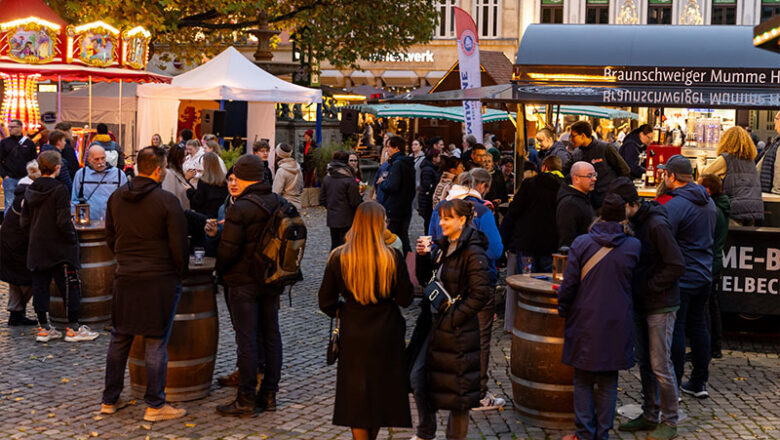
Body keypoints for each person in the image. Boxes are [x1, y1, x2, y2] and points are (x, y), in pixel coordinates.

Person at [100, 146, 188, 422]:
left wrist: (124, 259)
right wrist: (179, 272)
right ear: (159, 169)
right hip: (158, 278)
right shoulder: (167, 201)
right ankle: (155, 405)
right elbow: (178, 246)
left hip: (126, 275)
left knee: (119, 337)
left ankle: (109, 400)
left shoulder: (116, 197)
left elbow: (110, 237)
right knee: (155, 341)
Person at [318, 201, 413, 440]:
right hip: (387, 330)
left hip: (353, 329)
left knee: (356, 397)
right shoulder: (391, 257)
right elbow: (405, 298)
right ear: (379, 224)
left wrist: (343, 310)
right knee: (380, 393)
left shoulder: (339, 257)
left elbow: (326, 301)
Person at [558, 193, 641, 440]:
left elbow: (569, 284)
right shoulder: (634, 246)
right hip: (618, 320)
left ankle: (584, 433)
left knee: (582, 378)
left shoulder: (582, 243)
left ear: (600, 215)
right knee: (608, 380)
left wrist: (564, 310)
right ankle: (602, 433)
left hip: (585, 318)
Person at [609, 178, 685, 440]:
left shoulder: (655, 225)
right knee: (645, 362)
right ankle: (650, 413)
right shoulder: (636, 222)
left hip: (661, 303)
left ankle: (670, 420)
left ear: (632, 204)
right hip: (644, 301)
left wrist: (650, 286)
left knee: (660, 364)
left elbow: (676, 264)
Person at [410, 199, 491, 440]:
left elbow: (480, 294)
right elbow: (426, 281)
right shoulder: (443, 246)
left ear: (462, 220)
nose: (441, 223)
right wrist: (423, 257)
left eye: (447, 218)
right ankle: (426, 431)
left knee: (459, 393)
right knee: (418, 377)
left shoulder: (473, 251)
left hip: (457, 330)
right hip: (434, 325)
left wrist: (454, 317)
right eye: (441, 218)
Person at [427, 170, 505, 410]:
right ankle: (477, 393)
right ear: (478, 189)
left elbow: (432, 242)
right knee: (478, 340)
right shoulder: (482, 211)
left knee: (450, 337)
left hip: (445, 285)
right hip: (476, 284)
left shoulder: (440, 209)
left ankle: (451, 386)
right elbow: (496, 250)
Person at [215, 155, 283, 417]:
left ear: (242, 178)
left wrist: (220, 270)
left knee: (248, 341)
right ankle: (269, 395)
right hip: (271, 280)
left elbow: (227, 251)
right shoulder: (279, 202)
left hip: (243, 282)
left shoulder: (240, 208)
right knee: (271, 336)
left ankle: (245, 399)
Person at [21, 150, 99, 343]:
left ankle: (44, 328)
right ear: (57, 167)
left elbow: (24, 221)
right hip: (58, 247)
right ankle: (73, 328)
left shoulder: (31, 188)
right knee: (70, 286)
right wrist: (72, 240)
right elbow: (63, 221)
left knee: (40, 286)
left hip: (37, 245)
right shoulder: (59, 189)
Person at [659, 155, 717, 399]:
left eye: (665, 174)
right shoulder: (708, 202)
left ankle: (675, 385)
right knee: (699, 326)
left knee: (679, 329)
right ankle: (699, 381)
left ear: (672, 176)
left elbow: (663, 239)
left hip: (683, 275)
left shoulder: (675, 205)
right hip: (704, 273)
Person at [502, 155, 565, 274]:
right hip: (551, 244)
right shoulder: (562, 187)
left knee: (526, 284)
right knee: (546, 283)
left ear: (544, 167)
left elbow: (514, 211)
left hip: (527, 244)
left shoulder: (528, 184)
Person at [1, 160, 40, 326]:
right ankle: (18, 311)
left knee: (16, 280)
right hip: (17, 245)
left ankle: (16, 312)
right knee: (26, 279)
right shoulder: (27, 195)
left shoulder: (23, 190)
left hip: (11, 242)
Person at [702, 126, 763, 225]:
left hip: (734, 209)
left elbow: (704, 174)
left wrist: (700, 160)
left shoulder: (726, 158)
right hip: (754, 209)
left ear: (726, 141)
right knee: (746, 239)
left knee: (731, 238)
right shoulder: (750, 161)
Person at [698, 174, 730, 360]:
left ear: (708, 190)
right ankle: (714, 346)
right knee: (712, 305)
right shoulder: (721, 207)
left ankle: (708, 347)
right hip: (715, 260)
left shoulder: (713, 211)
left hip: (709, 261)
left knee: (706, 307)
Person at [566, 121, 631, 209]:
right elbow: (566, 171)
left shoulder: (605, 148)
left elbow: (624, 170)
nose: (571, 139)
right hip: (586, 203)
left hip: (607, 202)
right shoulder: (576, 153)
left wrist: (617, 194)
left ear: (583, 135)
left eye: (573, 136)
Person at [378, 136, 415, 254]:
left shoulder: (397, 164)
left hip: (394, 208)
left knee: (393, 239)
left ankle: (397, 264)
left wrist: (382, 183)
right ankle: (408, 264)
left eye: (389, 147)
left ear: (396, 148)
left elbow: (392, 187)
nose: (387, 149)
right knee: (403, 237)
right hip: (405, 207)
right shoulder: (407, 163)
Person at [71, 145, 127, 221]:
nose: (100, 162)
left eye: (103, 158)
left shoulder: (119, 175)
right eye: (96, 159)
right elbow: (75, 200)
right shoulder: (81, 175)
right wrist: (79, 219)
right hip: (87, 224)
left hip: (113, 224)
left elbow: (125, 200)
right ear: (89, 160)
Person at [320, 151, 362, 249]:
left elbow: (322, 199)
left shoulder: (327, 177)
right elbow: (354, 202)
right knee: (345, 246)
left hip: (332, 217)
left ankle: (333, 263)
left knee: (335, 245)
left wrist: (331, 207)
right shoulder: (349, 179)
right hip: (347, 218)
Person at [557, 161, 597, 248]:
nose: (594, 179)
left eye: (594, 175)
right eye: (589, 176)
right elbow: (567, 239)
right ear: (576, 179)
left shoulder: (584, 197)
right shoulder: (569, 204)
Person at [0, 118, 37, 211]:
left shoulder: (29, 143)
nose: (10, 129)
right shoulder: (4, 143)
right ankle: (9, 224)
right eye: (9, 127)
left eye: (13, 127)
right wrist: (4, 175)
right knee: (9, 203)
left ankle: (24, 224)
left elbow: (33, 160)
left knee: (26, 203)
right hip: (10, 178)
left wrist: (31, 176)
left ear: (20, 128)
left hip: (25, 178)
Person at [187, 152, 228, 219]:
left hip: (205, 218)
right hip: (220, 217)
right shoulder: (224, 181)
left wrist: (188, 191)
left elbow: (196, 203)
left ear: (205, 163)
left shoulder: (203, 181)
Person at [162, 145, 194, 210]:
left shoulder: (177, 171)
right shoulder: (169, 173)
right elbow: (170, 197)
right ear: (178, 158)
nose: (185, 159)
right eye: (184, 156)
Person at [272, 143, 304, 210]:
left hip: (285, 206)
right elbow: (301, 188)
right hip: (297, 205)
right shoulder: (298, 168)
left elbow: (276, 192)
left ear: (278, 154)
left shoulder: (281, 171)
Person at [417, 148, 441, 233]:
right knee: (428, 222)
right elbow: (427, 185)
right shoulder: (428, 169)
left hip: (427, 198)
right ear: (433, 158)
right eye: (438, 156)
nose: (439, 158)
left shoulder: (432, 168)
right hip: (427, 200)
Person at [757, 111, 780, 195]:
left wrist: (776, 193)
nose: (774, 126)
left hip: (773, 193)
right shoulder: (776, 142)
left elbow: (778, 170)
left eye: (776, 120)